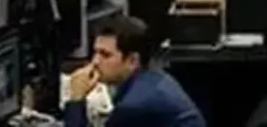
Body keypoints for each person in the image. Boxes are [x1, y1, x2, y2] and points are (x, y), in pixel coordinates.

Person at [64, 15, 206, 127]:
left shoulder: (134, 106)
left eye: (105, 55)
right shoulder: (155, 78)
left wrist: (76, 98)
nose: (95, 61)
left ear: (132, 60)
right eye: (95, 52)